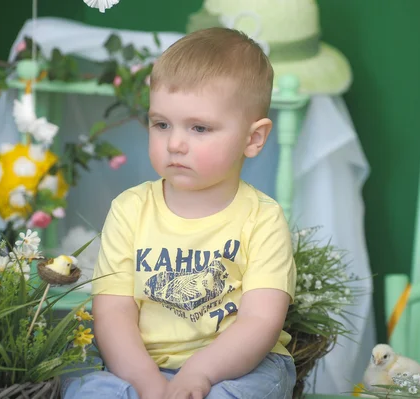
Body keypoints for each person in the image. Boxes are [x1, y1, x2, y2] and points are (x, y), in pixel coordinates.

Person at [63, 27, 297, 399]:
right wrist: (146, 381)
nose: (175, 143)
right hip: (137, 361)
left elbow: (260, 321)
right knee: (84, 384)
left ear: (253, 139)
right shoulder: (130, 210)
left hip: (234, 367)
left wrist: (199, 375)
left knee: (253, 388)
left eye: (199, 127)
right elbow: (113, 313)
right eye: (162, 124)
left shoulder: (262, 219)